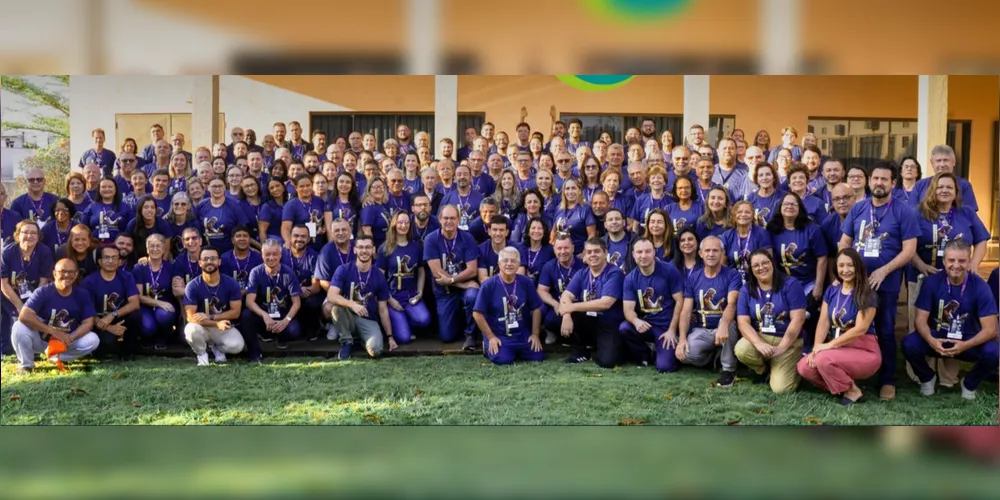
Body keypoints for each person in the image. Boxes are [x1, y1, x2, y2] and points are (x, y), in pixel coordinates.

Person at [838, 160, 919, 401]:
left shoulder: (904, 211)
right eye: (875, 178)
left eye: (884, 179)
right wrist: (844, 271)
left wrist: (883, 271)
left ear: (893, 183)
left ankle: (887, 379)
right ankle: (851, 374)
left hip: (887, 283)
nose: (879, 183)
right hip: (856, 282)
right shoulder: (859, 208)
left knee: (885, 330)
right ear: (869, 181)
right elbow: (844, 242)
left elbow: (909, 250)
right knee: (850, 326)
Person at [905, 172, 988, 387]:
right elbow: (907, 242)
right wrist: (920, 264)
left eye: (949, 187)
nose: (944, 190)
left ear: (955, 192)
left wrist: (974, 265)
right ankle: (922, 374)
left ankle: (948, 378)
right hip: (924, 276)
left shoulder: (966, 213)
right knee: (921, 323)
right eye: (940, 186)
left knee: (952, 320)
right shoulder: (917, 213)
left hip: (958, 277)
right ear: (933, 189)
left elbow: (981, 241)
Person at [903, 240, 999, 400]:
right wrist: (931, 340)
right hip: (938, 337)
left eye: (962, 261)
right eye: (951, 260)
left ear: (969, 261)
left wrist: (965, 345)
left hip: (968, 340)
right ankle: (927, 378)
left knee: (994, 352)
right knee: (909, 344)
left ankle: (969, 383)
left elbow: (991, 329)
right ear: (944, 261)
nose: (956, 265)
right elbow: (920, 320)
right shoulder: (932, 282)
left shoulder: (981, 287)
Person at [797, 248, 881, 405]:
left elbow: (860, 329)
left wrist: (828, 346)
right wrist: (816, 348)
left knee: (824, 359)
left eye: (850, 265)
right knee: (804, 367)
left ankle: (852, 390)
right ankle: (842, 388)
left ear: (858, 267)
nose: (845, 270)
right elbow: (823, 322)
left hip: (864, 350)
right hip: (837, 348)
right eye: (841, 265)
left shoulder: (867, 293)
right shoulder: (832, 290)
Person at [735, 249, 807, 394]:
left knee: (781, 389)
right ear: (751, 270)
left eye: (765, 263)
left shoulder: (791, 284)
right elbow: (743, 322)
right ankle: (765, 370)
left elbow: (798, 319)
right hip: (762, 336)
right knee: (742, 349)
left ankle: (792, 368)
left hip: (788, 341)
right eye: (756, 265)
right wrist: (758, 343)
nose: (761, 268)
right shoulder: (746, 290)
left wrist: (782, 347)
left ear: (772, 263)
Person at [11, 258, 101, 374]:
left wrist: (70, 338)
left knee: (93, 339)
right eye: (62, 271)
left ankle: (57, 356)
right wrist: (54, 332)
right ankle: (26, 365)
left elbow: (88, 322)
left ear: (77, 274)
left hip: (66, 341)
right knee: (19, 327)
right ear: (54, 273)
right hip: (42, 340)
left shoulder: (82, 294)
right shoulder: (43, 292)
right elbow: (24, 315)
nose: (67, 275)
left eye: (71, 272)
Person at [676, 235, 742, 387]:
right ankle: (713, 358)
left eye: (715, 250)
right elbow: (686, 310)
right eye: (707, 250)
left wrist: (724, 325)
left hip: (725, 327)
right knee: (683, 354)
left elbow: (732, 304)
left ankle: (728, 370)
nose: (711, 254)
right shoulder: (694, 278)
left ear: (722, 253)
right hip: (703, 330)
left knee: (729, 322)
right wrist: (682, 339)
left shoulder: (732, 275)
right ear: (700, 254)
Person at [767, 192, 828, 353]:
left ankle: (807, 349)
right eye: (786, 204)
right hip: (784, 282)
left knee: (806, 315)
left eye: (794, 204)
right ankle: (786, 348)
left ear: (800, 208)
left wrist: (819, 286)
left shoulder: (812, 229)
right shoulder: (772, 229)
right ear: (780, 207)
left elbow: (822, 258)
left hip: (808, 282)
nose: (789, 207)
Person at [325, 235, 396, 360]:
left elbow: (383, 309)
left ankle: (362, 340)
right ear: (355, 249)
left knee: (376, 351)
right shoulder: (344, 269)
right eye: (361, 247)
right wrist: (352, 304)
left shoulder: (378, 275)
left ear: (373, 250)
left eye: (368, 247)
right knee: (336, 307)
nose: (364, 251)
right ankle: (347, 341)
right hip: (348, 316)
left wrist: (390, 337)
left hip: (368, 319)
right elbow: (331, 295)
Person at [559, 237, 626, 367]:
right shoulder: (582, 273)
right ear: (584, 255)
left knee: (608, 362)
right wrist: (567, 314)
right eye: (589, 252)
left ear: (605, 253)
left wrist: (570, 307)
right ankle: (580, 352)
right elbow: (565, 296)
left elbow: (605, 303)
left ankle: (609, 348)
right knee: (562, 316)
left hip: (609, 322)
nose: (592, 255)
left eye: (597, 251)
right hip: (589, 320)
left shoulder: (614, 273)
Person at [620, 238, 684, 372]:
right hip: (647, 325)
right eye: (639, 252)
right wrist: (636, 320)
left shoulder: (669, 270)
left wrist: (672, 330)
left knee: (665, 367)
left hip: (666, 327)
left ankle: (663, 352)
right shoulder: (630, 278)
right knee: (625, 327)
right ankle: (644, 354)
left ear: (654, 252)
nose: (643, 256)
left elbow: (680, 301)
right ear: (633, 255)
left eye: (648, 251)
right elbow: (628, 310)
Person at [473, 246, 545, 365]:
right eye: (505, 260)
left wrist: (535, 334)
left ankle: (517, 349)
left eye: (513, 261)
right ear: (499, 263)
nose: (509, 264)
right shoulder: (488, 285)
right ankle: (487, 344)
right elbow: (477, 313)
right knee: (503, 359)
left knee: (537, 356)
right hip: (499, 334)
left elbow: (536, 308)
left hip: (521, 334)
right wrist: (491, 337)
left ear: (518, 265)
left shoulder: (526, 282)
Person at [423, 205, 481, 349]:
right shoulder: (431, 239)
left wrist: (452, 280)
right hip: (445, 292)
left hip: (465, 289)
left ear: (459, 220)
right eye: (446, 218)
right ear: (439, 219)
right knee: (447, 337)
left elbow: (472, 270)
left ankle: (470, 335)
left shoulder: (467, 238)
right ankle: (459, 323)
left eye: (452, 218)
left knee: (473, 295)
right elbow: (437, 273)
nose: (449, 221)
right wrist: (459, 283)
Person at [182, 246, 246, 366]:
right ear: (200, 262)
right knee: (191, 330)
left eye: (213, 258)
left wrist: (212, 318)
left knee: (237, 346)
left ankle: (217, 348)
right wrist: (215, 323)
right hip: (202, 327)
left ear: (219, 261)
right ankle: (201, 354)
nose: (209, 261)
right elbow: (190, 317)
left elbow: (236, 312)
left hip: (223, 326)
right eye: (205, 259)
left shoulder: (231, 283)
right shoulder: (192, 286)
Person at [377, 212, 430, 345]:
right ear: (394, 224)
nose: (403, 225)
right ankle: (398, 323)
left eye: (406, 222)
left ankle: (403, 321)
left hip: (410, 295)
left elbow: (421, 270)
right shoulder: (385, 248)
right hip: (393, 295)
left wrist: (420, 292)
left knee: (424, 320)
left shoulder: (416, 246)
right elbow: (379, 277)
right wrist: (389, 299)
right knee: (404, 338)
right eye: (400, 222)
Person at [1, 221, 53, 355]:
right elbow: (4, 283)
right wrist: (20, 306)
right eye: (25, 232)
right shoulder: (8, 252)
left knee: (33, 318)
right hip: (10, 295)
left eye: (33, 233)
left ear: (38, 236)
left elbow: (44, 281)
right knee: (18, 320)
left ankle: (35, 349)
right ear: (17, 235)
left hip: (36, 295)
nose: (29, 236)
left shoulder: (44, 252)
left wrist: (32, 305)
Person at [80, 245, 141, 360]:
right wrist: (108, 328)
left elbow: (135, 303)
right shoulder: (89, 281)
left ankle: (128, 352)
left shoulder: (126, 277)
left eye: (114, 258)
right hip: (96, 321)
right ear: (100, 261)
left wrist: (112, 315)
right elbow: (86, 312)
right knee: (107, 342)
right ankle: (103, 349)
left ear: (120, 261)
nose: (110, 261)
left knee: (135, 315)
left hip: (117, 317)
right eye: (107, 257)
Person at [243, 239, 302, 358]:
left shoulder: (288, 273)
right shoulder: (256, 272)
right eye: (267, 254)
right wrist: (265, 315)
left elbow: (297, 303)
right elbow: (249, 301)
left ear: (280, 255)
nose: (271, 258)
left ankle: (280, 337)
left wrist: (286, 320)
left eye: (275, 254)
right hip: (264, 315)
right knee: (246, 315)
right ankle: (255, 350)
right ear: (262, 255)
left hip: (282, 315)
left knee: (294, 330)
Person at [537, 234, 586, 344]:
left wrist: (568, 311)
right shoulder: (549, 266)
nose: (562, 251)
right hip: (558, 305)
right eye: (559, 248)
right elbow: (541, 290)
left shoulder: (583, 266)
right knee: (549, 320)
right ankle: (558, 335)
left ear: (573, 248)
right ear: (554, 250)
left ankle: (578, 339)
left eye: (566, 248)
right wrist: (555, 304)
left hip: (578, 306)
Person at [132, 234, 176, 350]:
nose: (155, 249)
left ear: (164, 249)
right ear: (147, 249)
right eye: (151, 246)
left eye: (158, 246)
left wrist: (163, 304)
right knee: (148, 327)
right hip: (145, 306)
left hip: (165, 305)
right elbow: (139, 296)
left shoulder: (171, 267)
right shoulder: (139, 267)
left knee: (165, 315)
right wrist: (159, 303)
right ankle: (147, 338)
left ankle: (163, 337)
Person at [282, 224, 323, 341]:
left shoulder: (314, 256)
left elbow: (316, 287)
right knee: (294, 333)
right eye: (296, 236)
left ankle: (314, 328)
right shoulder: (281, 254)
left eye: (303, 236)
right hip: (288, 298)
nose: (299, 239)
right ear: (290, 237)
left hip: (307, 297)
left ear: (309, 239)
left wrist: (300, 292)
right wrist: (297, 291)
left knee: (313, 302)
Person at [911, 145, 978, 211]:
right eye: (938, 161)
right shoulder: (920, 185)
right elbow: (911, 212)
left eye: (946, 160)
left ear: (954, 162)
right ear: (932, 163)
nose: (942, 165)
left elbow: (970, 214)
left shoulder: (964, 185)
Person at [721, 200, 773, 284]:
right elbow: (723, 265)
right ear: (734, 215)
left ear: (753, 215)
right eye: (739, 212)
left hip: (756, 280)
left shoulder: (762, 234)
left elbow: (768, 262)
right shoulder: (726, 236)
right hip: (732, 281)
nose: (743, 214)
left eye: (747, 212)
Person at [198, 176, 251, 254]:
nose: (217, 189)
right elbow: (197, 228)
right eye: (214, 186)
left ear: (225, 187)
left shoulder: (235, 205)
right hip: (207, 252)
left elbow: (242, 229)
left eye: (220, 186)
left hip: (229, 251)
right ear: (208, 187)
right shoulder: (201, 205)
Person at [220, 226, 263, 291]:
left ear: (249, 239)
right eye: (238, 236)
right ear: (232, 240)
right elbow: (224, 282)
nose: (242, 238)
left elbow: (258, 283)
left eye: (245, 236)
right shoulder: (224, 258)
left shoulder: (258, 258)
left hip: (252, 295)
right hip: (230, 295)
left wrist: (245, 290)